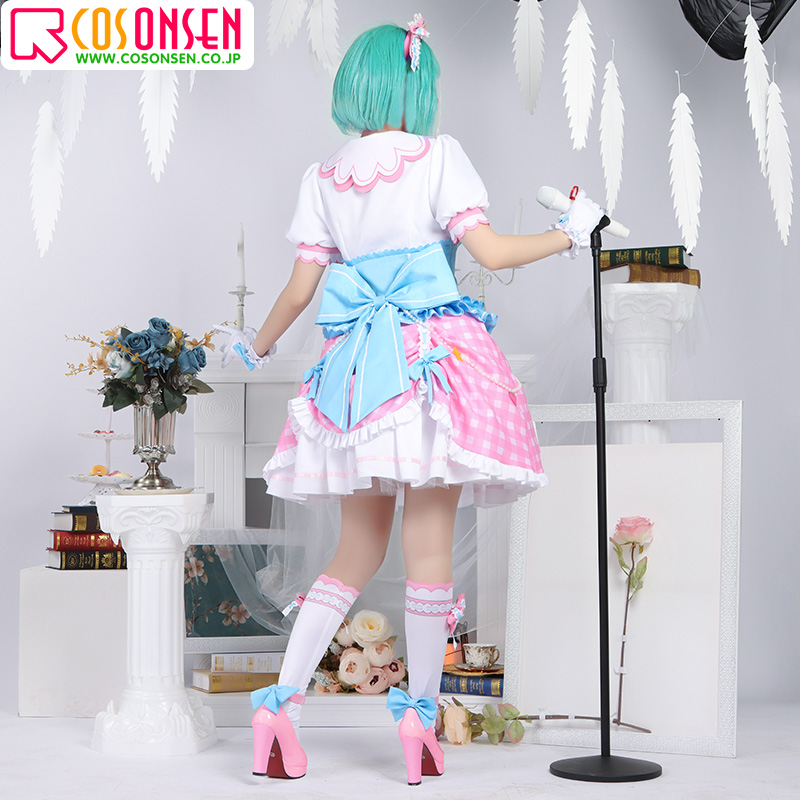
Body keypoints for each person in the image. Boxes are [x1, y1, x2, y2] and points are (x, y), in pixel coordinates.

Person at [221, 15, 603, 786]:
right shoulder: (438, 156)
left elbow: (299, 290)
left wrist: (254, 348)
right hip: (430, 367)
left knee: (353, 551)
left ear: (356, 84)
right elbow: (490, 252)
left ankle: (278, 708)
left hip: (355, 376)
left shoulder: (323, 176)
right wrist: (570, 232)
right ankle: (419, 724)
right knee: (429, 553)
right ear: (417, 85)